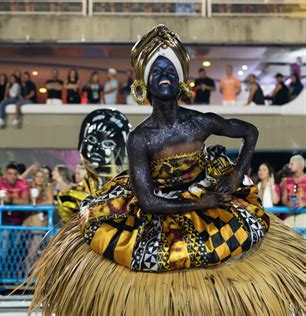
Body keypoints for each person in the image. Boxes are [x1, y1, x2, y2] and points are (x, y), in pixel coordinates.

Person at [28, 25, 303, 315]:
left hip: (209, 206)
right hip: (160, 211)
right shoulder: (140, 139)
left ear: (181, 81)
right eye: (157, 72)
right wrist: (201, 202)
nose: (165, 77)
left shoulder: (199, 122)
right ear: (144, 85)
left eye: (170, 71)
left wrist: (236, 173)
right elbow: (148, 201)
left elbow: (250, 131)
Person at [57, 109, 131, 222]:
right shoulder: (69, 199)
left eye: (107, 144)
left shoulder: (131, 194)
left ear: (121, 150)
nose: (97, 148)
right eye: (92, 139)